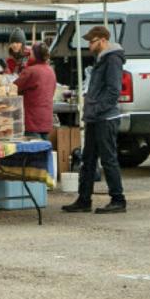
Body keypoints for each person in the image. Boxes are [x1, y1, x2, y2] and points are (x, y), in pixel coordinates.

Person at [62, 26, 127, 214]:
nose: (89, 44)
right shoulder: (101, 59)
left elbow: (114, 90)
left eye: (92, 41)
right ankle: (84, 199)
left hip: (105, 118)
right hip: (95, 116)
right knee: (88, 159)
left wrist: (97, 109)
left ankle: (118, 199)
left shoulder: (112, 59)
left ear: (103, 41)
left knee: (108, 159)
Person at [14, 42, 56, 139]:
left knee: (34, 151)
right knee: (44, 150)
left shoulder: (31, 71)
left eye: (31, 52)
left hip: (32, 122)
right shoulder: (50, 70)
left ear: (36, 55)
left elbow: (14, 88)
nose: (29, 54)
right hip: (46, 120)